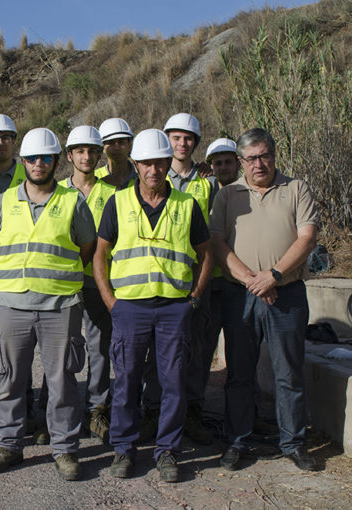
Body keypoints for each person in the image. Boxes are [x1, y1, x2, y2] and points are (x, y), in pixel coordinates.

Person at [94, 129, 212, 483]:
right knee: (127, 380)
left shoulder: (186, 205)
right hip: (130, 308)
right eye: (146, 163)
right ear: (136, 164)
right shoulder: (118, 203)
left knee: (173, 381)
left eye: (160, 163)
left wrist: (194, 297)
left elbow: (205, 254)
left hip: (174, 308)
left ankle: (167, 451)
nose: (153, 170)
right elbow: (100, 254)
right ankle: (124, 449)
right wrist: (110, 301)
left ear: (167, 164)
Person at [0, 128, 96, 481]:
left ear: (56, 163)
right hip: (11, 305)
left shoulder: (73, 202)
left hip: (60, 305)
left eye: (45, 158)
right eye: (31, 158)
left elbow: (86, 248)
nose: (38, 164)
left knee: (62, 380)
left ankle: (64, 450)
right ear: (23, 162)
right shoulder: (3, 201)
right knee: (10, 378)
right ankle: (9, 445)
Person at [211, 128, 320, 472]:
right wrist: (252, 280)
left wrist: (272, 275)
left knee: (289, 372)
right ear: (241, 162)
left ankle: (293, 443)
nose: (259, 164)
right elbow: (217, 243)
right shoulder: (228, 196)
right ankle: (238, 441)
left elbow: (307, 238)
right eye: (251, 158)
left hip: (285, 294)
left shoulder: (296, 188)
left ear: (274, 154)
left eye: (265, 155)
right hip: (240, 295)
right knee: (240, 373)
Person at [140, 113, 220, 445]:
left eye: (188, 139)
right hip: (162, 282)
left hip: (196, 282)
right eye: (176, 137)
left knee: (197, 349)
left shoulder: (208, 182)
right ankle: (154, 412)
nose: (182, 143)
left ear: (195, 144)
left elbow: (210, 235)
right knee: (159, 353)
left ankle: (192, 412)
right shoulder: (154, 176)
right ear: (167, 140)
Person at [59, 126, 118, 443]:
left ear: (100, 155)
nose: (86, 156)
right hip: (63, 282)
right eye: (79, 151)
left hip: (98, 282)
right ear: (69, 155)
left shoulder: (112, 194)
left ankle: (96, 410)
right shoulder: (55, 191)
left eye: (92, 151)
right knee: (61, 349)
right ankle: (57, 409)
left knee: (98, 348)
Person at [96, 117, 137, 188]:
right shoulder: (94, 179)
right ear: (102, 147)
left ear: (129, 145)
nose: (117, 147)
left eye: (121, 142)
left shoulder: (142, 177)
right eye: (111, 142)